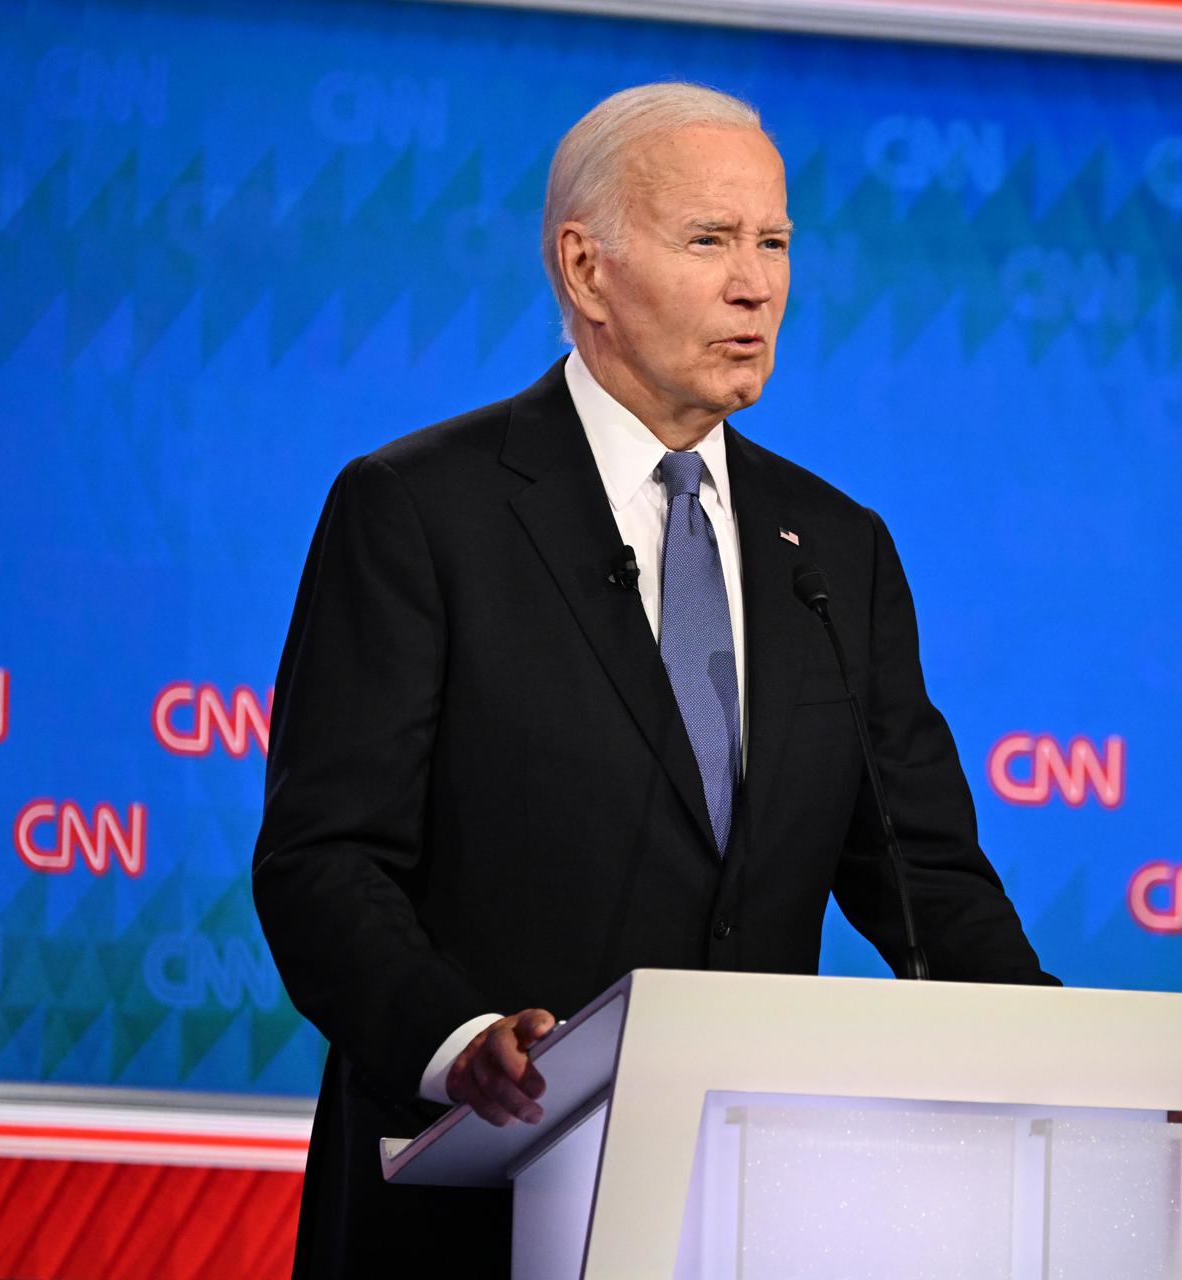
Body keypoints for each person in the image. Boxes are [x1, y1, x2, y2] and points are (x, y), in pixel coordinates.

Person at [252, 81, 1054, 1276]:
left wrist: (1077, 1062)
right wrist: (460, 1039)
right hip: (472, 1209)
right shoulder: (422, 512)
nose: (758, 283)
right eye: (711, 240)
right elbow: (325, 860)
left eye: (775, 241)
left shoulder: (836, 548)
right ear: (586, 271)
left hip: (739, 1215)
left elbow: (924, 876)